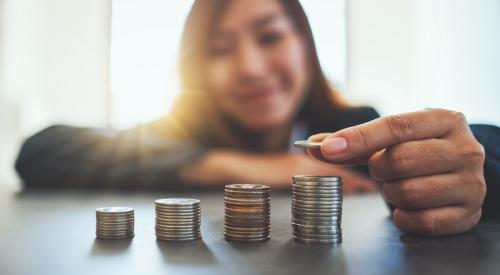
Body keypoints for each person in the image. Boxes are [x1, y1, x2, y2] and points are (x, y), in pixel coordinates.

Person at [14, 0, 500, 236]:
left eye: (269, 37)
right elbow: (41, 148)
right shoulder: (173, 135)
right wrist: (234, 166)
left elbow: (478, 149)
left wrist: (472, 157)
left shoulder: (360, 123)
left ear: (304, 46)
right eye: (219, 50)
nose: (249, 69)